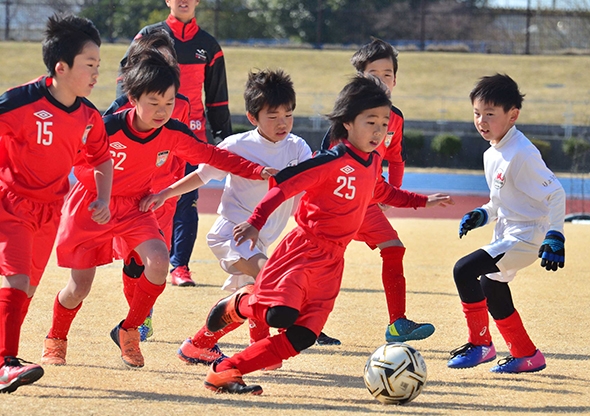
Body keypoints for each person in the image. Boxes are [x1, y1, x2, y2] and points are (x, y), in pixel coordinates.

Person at [201, 74, 453, 394]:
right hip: (303, 249)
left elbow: (384, 192)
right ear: (347, 123)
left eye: (384, 123)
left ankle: (227, 370)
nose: (378, 130)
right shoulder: (330, 161)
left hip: (334, 259)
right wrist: (255, 221)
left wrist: (423, 202)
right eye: (370, 122)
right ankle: (239, 305)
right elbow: (284, 186)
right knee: (280, 313)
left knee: (303, 335)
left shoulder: (373, 162)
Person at [40, 51, 273, 369]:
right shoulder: (105, 129)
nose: (162, 111)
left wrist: (255, 170)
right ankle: (56, 338)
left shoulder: (172, 134)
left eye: (169, 102)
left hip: (135, 207)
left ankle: (130, 330)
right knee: (79, 286)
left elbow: (213, 156)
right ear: (133, 98)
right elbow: (71, 162)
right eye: (154, 102)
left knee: (160, 261)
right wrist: (94, 198)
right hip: (92, 207)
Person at [140, 69, 310, 367]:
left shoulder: (298, 148)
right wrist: (164, 194)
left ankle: (200, 345)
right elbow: (201, 176)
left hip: (262, 239)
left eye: (289, 115)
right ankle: (263, 347)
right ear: (253, 116)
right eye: (273, 116)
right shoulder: (236, 145)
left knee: (251, 295)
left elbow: (315, 184)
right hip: (232, 233)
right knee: (271, 279)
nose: (283, 122)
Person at [0, 14, 112, 393]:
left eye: (99, 65)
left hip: (51, 210)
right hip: (11, 204)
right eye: (90, 65)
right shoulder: (19, 101)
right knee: (16, 280)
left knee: (27, 289)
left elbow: (101, 158)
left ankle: (4, 356)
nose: (97, 73)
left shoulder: (88, 116)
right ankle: (5, 363)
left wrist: (104, 196)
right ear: (61, 67)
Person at [448, 73, 566, 374]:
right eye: (477, 113)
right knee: (490, 284)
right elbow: (499, 202)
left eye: (490, 114)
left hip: (528, 237)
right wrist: (482, 214)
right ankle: (527, 355)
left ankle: (481, 344)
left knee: (464, 269)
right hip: (508, 232)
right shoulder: (492, 153)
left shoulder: (523, 153)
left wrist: (555, 237)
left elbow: (556, 194)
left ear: (512, 116)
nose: (481, 121)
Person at [321, 38, 435, 344]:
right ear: (360, 78)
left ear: (395, 80)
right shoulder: (348, 115)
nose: (382, 80)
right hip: (338, 202)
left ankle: (398, 324)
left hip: (368, 202)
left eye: (388, 74)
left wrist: (391, 192)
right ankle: (309, 325)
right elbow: (328, 163)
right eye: (374, 73)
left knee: (394, 247)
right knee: (325, 260)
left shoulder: (395, 118)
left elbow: (396, 157)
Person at [119, 0, 233, 288]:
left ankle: (179, 266)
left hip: (191, 136)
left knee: (186, 199)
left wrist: (223, 138)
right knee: (148, 197)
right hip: (151, 134)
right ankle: (137, 258)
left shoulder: (209, 45)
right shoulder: (148, 35)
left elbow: (217, 97)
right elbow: (128, 80)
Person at [107, 29, 191, 342]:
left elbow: (183, 148)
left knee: (155, 259)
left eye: (165, 62)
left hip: (162, 195)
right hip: (129, 196)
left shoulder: (181, 104)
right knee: (132, 262)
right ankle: (137, 317)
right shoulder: (118, 110)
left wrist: (175, 187)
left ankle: (142, 318)